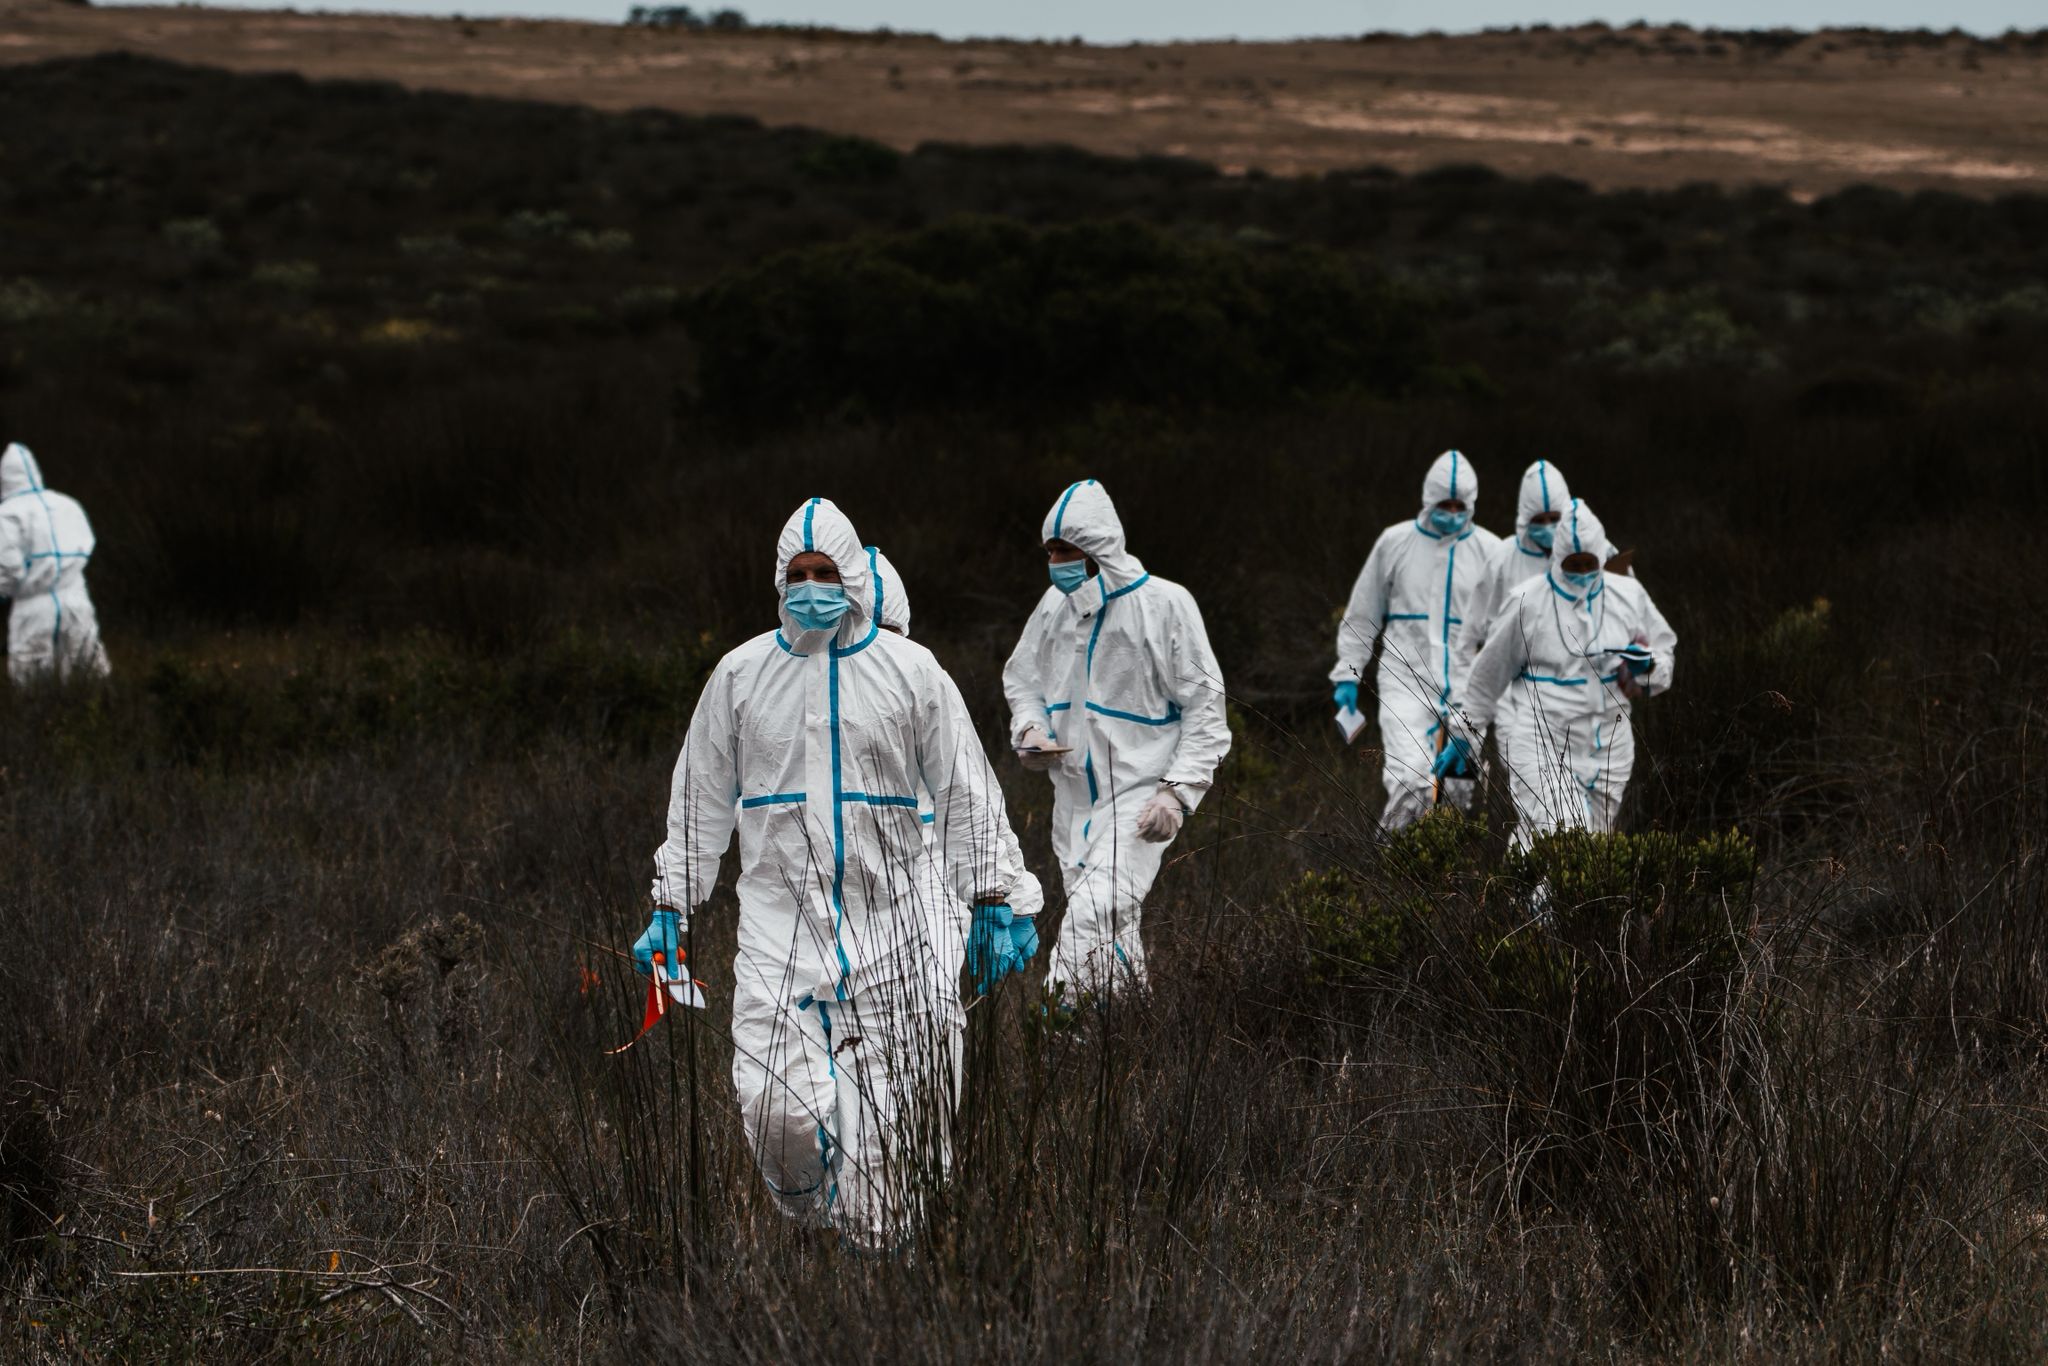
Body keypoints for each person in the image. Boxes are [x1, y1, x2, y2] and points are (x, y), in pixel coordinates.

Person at [635, 498, 1043, 1251]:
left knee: (890, 1156)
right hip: (778, 938)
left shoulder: (910, 672)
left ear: (852, 578)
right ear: (778, 580)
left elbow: (962, 786)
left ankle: (872, 1285)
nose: (812, 586)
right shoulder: (740, 676)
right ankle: (813, 1212)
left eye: (826, 573)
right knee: (774, 1110)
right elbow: (698, 797)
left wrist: (992, 894)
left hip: (893, 932)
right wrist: (673, 904)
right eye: (799, 573)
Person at [1002, 478, 1231, 1004]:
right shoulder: (1054, 608)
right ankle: (1129, 1026)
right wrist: (1031, 729)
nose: (1057, 561)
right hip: (1073, 798)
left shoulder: (1165, 605)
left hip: (1139, 793)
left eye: (1069, 550)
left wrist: (1176, 791)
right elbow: (1022, 679)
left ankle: (1055, 1036)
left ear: (1100, 549)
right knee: (1111, 924)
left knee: (1092, 912)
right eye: (1051, 550)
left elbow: (1205, 710)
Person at [864, 543, 1043, 994]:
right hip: (835, 881)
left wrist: (1016, 897)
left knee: (929, 1008)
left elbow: (973, 791)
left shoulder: (921, 676)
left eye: (885, 632)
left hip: (929, 869)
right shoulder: (803, 684)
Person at [1455, 499, 1676, 847]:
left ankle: (1513, 894)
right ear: (1559, 560)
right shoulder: (1527, 601)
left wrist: (1646, 666)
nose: (1583, 572)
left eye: (1590, 563)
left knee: (1593, 848)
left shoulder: (1629, 596)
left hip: (1610, 745)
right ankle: (1530, 898)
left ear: (1601, 557)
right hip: (1543, 740)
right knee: (1563, 834)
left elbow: (1663, 658)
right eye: (1574, 564)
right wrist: (1464, 735)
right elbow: (1488, 674)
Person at [1329, 450, 1502, 829]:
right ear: (1429, 499)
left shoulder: (1491, 552)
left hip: (1466, 685)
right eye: (1445, 503)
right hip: (1404, 679)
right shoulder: (1395, 542)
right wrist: (1348, 675)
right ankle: (1392, 866)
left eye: (1461, 505)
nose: (1452, 512)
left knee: (1458, 792)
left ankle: (1447, 881)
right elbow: (1363, 613)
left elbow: (1505, 634)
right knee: (1410, 780)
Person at [0, 442, 110, 684]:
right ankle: (97, 716)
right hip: (75, 599)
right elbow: (87, 543)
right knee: (86, 667)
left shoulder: (7, 514)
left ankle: (42, 720)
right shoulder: (67, 505)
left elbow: (7, 568)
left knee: (31, 675)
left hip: (32, 607)